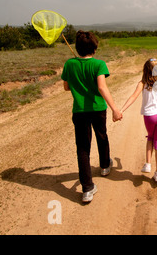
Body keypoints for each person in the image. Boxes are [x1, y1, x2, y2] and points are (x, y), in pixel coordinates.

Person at [61, 31, 122, 203]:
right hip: (98, 109)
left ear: (77, 48)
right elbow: (102, 88)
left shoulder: (69, 64)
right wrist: (115, 109)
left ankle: (87, 188)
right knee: (102, 137)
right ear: (94, 49)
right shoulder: (99, 64)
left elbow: (66, 87)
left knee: (83, 148)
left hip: (79, 111)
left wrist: (77, 78)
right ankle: (104, 166)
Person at [121, 58, 157, 182]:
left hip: (149, 116)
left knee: (150, 138)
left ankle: (148, 164)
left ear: (145, 70)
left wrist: (122, 110)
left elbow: (133, 97)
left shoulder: (142, 83)